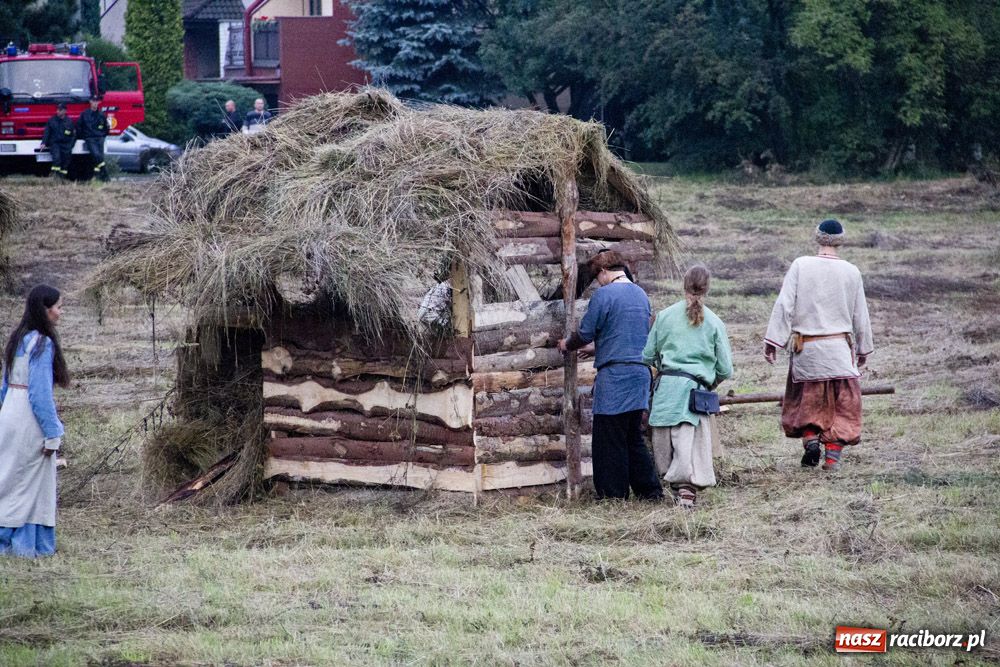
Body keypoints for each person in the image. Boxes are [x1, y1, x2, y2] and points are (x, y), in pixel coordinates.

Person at [764, 219, 874, 471]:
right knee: (844, 406)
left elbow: (784, 305)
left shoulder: (801, 265)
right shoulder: (851, 271)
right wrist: (864, 348)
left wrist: (773, 341)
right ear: (840, 240)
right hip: (839, 353)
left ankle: (811, 438)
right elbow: (861, 315)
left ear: (818, 238)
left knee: (807, 401)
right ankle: (832, 458)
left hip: (807, 351)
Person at [558, 251, 663, 500]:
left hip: (615, 376)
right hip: (639, 373)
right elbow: (630, 336)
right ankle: (649, 491)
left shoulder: (604, 295)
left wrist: (567, 345)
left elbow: (584, 332)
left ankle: (613, 494)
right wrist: (598, 348)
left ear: (604, 272)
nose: (598, 282)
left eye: (598, 277)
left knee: (608, 436)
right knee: (632, 436)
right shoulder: (641, 295)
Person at [642, 264, 733, 508]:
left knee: (665, 443)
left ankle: (679, 489)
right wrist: (707, 382)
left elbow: (648, 355)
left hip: (666, 391)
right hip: (694, 392)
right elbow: (726, 369)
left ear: (684, 285)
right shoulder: (714, 322)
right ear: (707, 289)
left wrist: (665, 367)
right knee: (689, 444)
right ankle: (686, 491)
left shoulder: (664, 317)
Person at [0, 285, 70, 558]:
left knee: (9, 477)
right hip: (29, 418)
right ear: (45, 308)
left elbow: (5, 386)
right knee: (30, 482)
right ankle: (25, 544)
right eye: (59, 307)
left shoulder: (18, 339)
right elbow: (40, 395)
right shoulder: (42, 343)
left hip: (10, 414)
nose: (60, 313)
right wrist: (53, 432)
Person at [76, 96, 110, 181]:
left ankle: (98, 176)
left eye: (96, 101)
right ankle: (105, 176)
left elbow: (106, 127)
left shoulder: (101, 114)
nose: (95, 103)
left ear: (98, 102)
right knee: (96, 155)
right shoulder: (85, 114)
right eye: (93, 101)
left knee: (99, 157)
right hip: (90, 138)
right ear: (90, 102)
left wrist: (103, 135)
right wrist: (84, 136)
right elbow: (79, 126)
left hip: (100, 138)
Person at [39, 103, 76, 179]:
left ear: (65, 111)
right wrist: (44, 143)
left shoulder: (69, 121)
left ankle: (62, 178)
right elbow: (47, 132)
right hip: (55, 144)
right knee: (57, 159)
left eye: (60, 110)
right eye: (57, 110)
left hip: (66, 145)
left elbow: (73, 135)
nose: (58, 111)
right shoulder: (52, 120)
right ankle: (54, 176)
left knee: (65, 162)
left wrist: (71, 145)